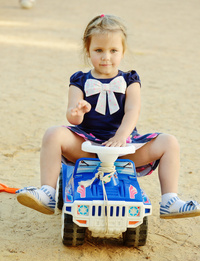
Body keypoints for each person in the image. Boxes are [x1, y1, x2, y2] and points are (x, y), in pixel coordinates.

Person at [17, 14, 200, 219]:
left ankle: (170, 200)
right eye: (99, 50)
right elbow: (72, 117)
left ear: (123, 52)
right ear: (88, 51)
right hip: (88, 145)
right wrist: (77, 112)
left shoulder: (129, 79)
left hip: (123, 148)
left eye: (113, 50)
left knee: (169, 142)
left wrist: (121, 137)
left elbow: (133, 110)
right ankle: (48, 193)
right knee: (53, 134)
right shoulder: (80, 80)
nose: (106, 57)